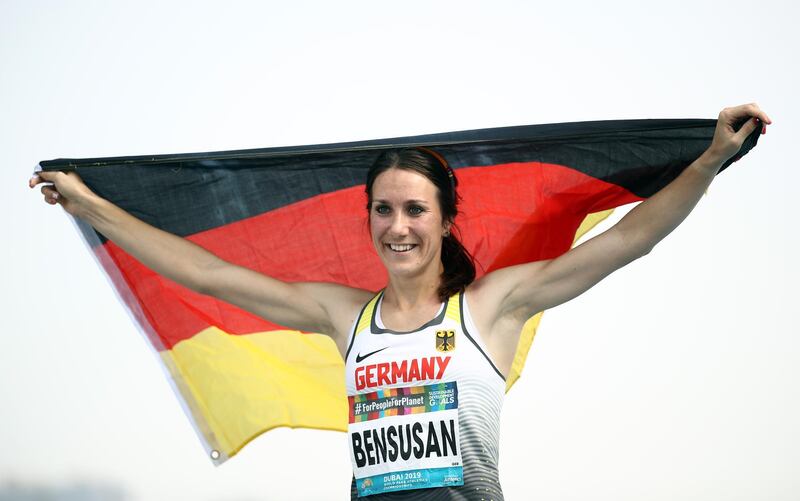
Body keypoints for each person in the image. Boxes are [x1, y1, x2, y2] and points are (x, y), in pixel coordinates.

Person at [30, 103, 771, 500]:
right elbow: (209, 275)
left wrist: (707, 161)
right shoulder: (342, 314)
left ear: (446, 219)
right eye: (383, 210)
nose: (398, 226)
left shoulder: (491, 307)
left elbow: (626, 241)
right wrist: (92, 207)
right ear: (369, 221)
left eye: (415, 210)